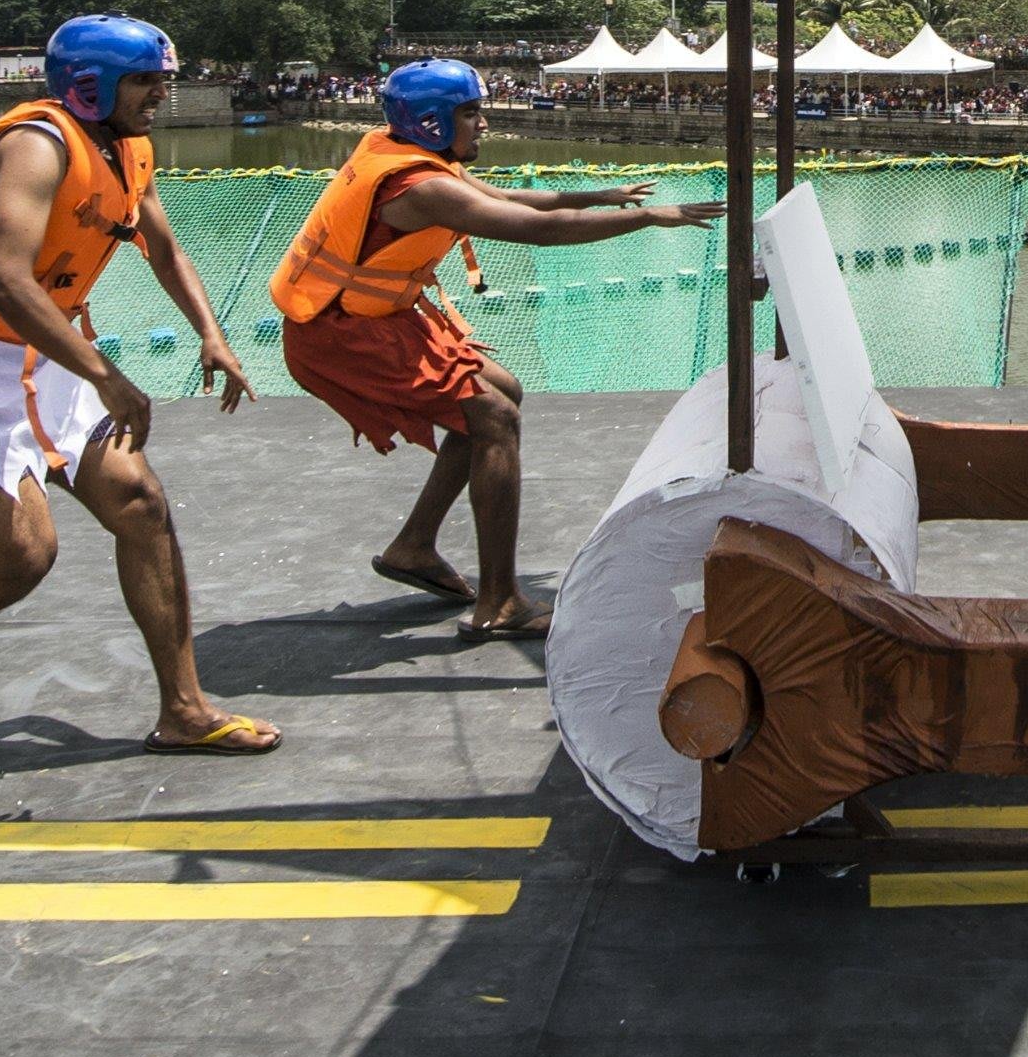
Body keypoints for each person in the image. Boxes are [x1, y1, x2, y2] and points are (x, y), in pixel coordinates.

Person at [0, 15, 276, 761]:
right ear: (90, 85)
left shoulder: (128, 149)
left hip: (42, 352)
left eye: (163, 80)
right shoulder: (35, 147)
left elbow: (163, 246)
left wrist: (213, 333)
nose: (160, 94)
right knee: (22, 558)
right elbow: (6, 281)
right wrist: (105, 374)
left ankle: (184, 708)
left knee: (140, 503)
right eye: (144, 81)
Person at [274, 60, 716, 639]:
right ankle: (500, 601)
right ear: (432, 122)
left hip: (374, 319)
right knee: (494, 418)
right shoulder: (423, 187)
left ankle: (413, 546)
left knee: (503, 391)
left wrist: (599, 195)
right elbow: (535, 229)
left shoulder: (407, 153)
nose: (483, 123)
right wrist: (649, 217)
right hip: (341, 335)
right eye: (470, 113)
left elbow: (507, 197)